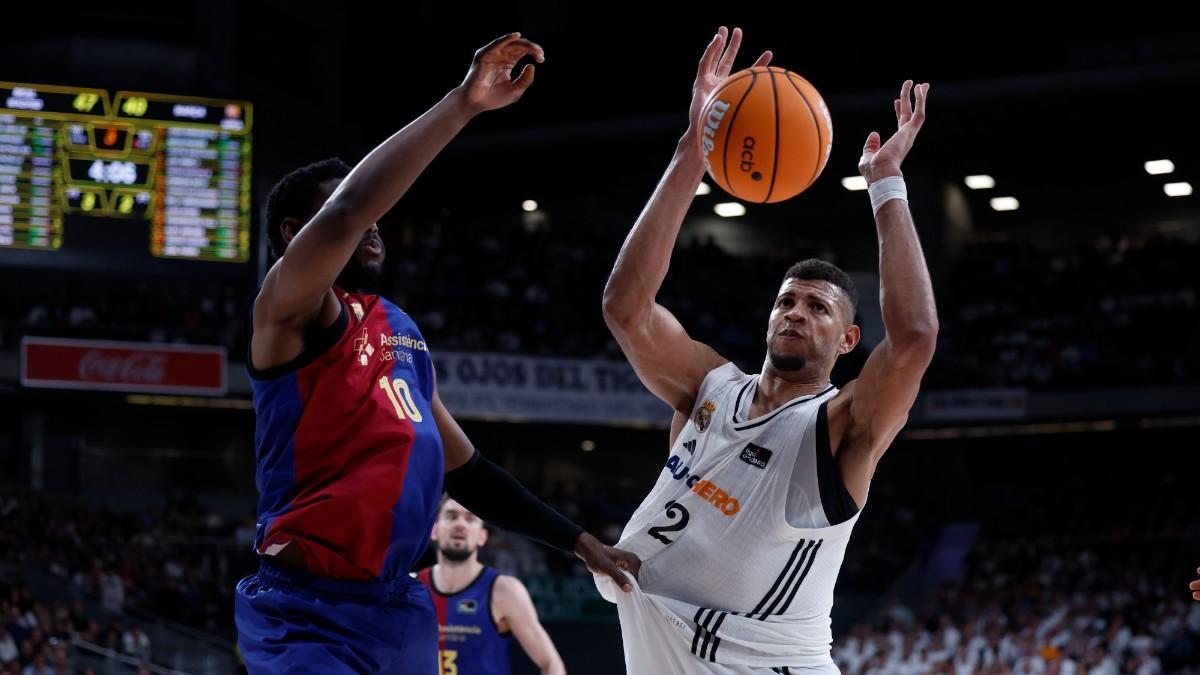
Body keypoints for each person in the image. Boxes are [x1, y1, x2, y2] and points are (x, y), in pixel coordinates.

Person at [234, 32, 636, 674]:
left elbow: (470, 473)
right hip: (306, 607)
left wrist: (578, 541)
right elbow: (348, 211)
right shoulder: (285, 309)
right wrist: (463, 104)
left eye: (379, 215)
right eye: (353, 208)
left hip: (399, 608)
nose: (374, 220)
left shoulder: (401, 332)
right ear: (293, 233)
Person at [597, 25, 936, 673]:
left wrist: (885, 184)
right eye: (787, 302)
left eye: (818, 307)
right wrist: (695, 147)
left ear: (849, 339)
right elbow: (625, 307)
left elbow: (916, 337)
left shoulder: (836, 427)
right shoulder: (709, 388)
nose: (796, 313)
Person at [418, 498, 566, 675]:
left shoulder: (504, 590)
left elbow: (551, 663)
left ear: (482, 536)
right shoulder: (412, 588)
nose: (460, 524)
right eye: (451, 516)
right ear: (434, 530)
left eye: (470, 519)